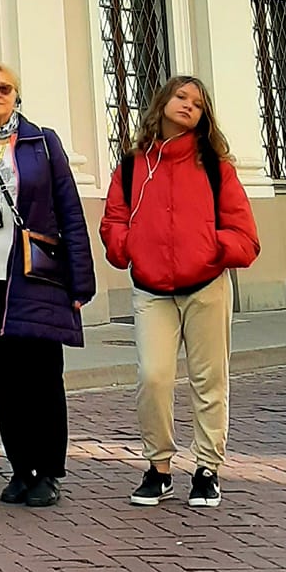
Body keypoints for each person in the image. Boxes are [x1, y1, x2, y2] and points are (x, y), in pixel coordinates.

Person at [0, 63, 96, 509]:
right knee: (3, 379)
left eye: (4, 87)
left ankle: (47, 471)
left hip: (36, 276)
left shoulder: (41, 143)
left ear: (16, 95)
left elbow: (70, 212)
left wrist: (79, 282)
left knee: (43, 376)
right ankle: (19, 468)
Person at [101, 75, 260, 511]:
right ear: (163, 102)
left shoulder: (214, 167)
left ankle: (207, 469)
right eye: (181, 96)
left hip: (206, 286)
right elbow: (113, 220)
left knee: (210, 381)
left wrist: (211, 248)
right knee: (153, 378)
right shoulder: (133, 165)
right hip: (152, 290)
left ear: (204, 116)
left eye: (198, 102)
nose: (189, 105)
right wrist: (129, 247)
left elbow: (245, 233)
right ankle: (159, 468)